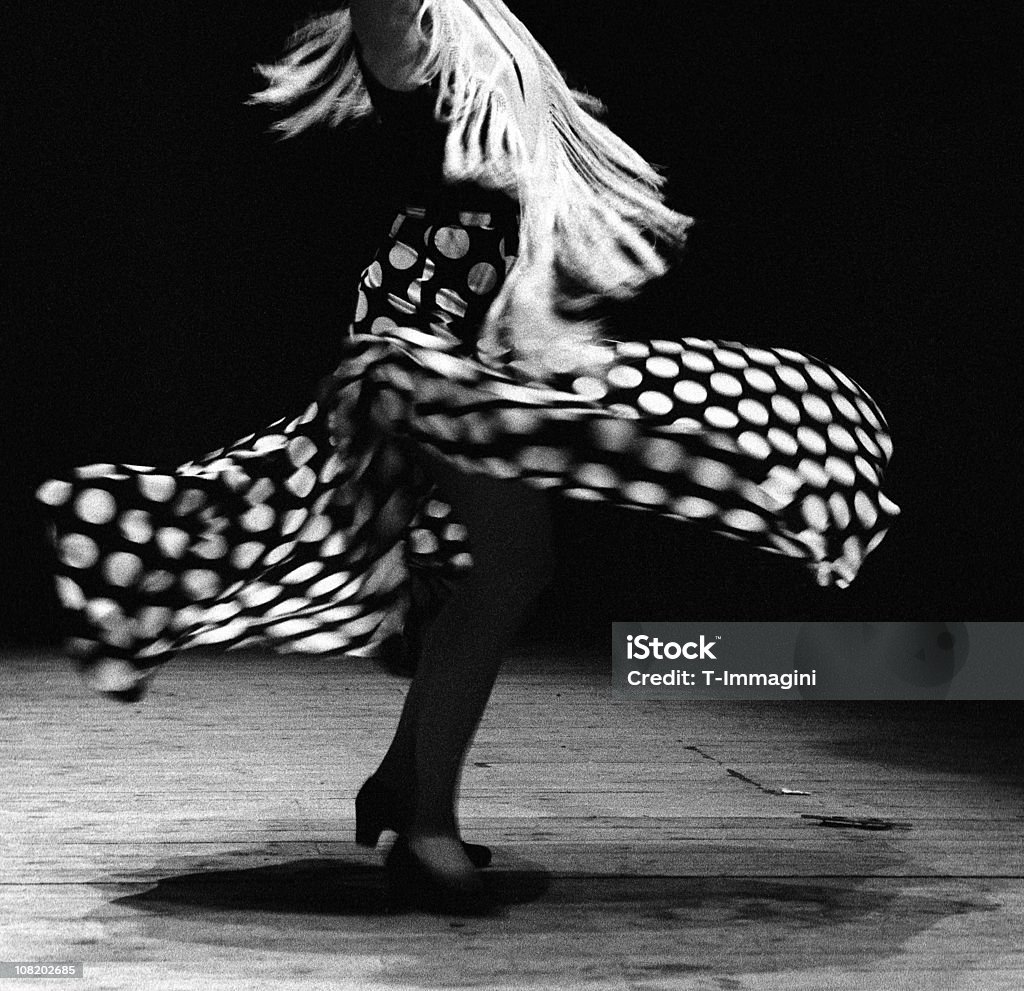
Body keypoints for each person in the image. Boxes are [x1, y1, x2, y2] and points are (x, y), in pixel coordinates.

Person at [36, 0, 900, 913]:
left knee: (515, 566)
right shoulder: (406, 28)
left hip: (485, 338)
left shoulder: (477, 26)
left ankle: (404, 786)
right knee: (510, 567)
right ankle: (424, 822)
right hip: (423, 340)